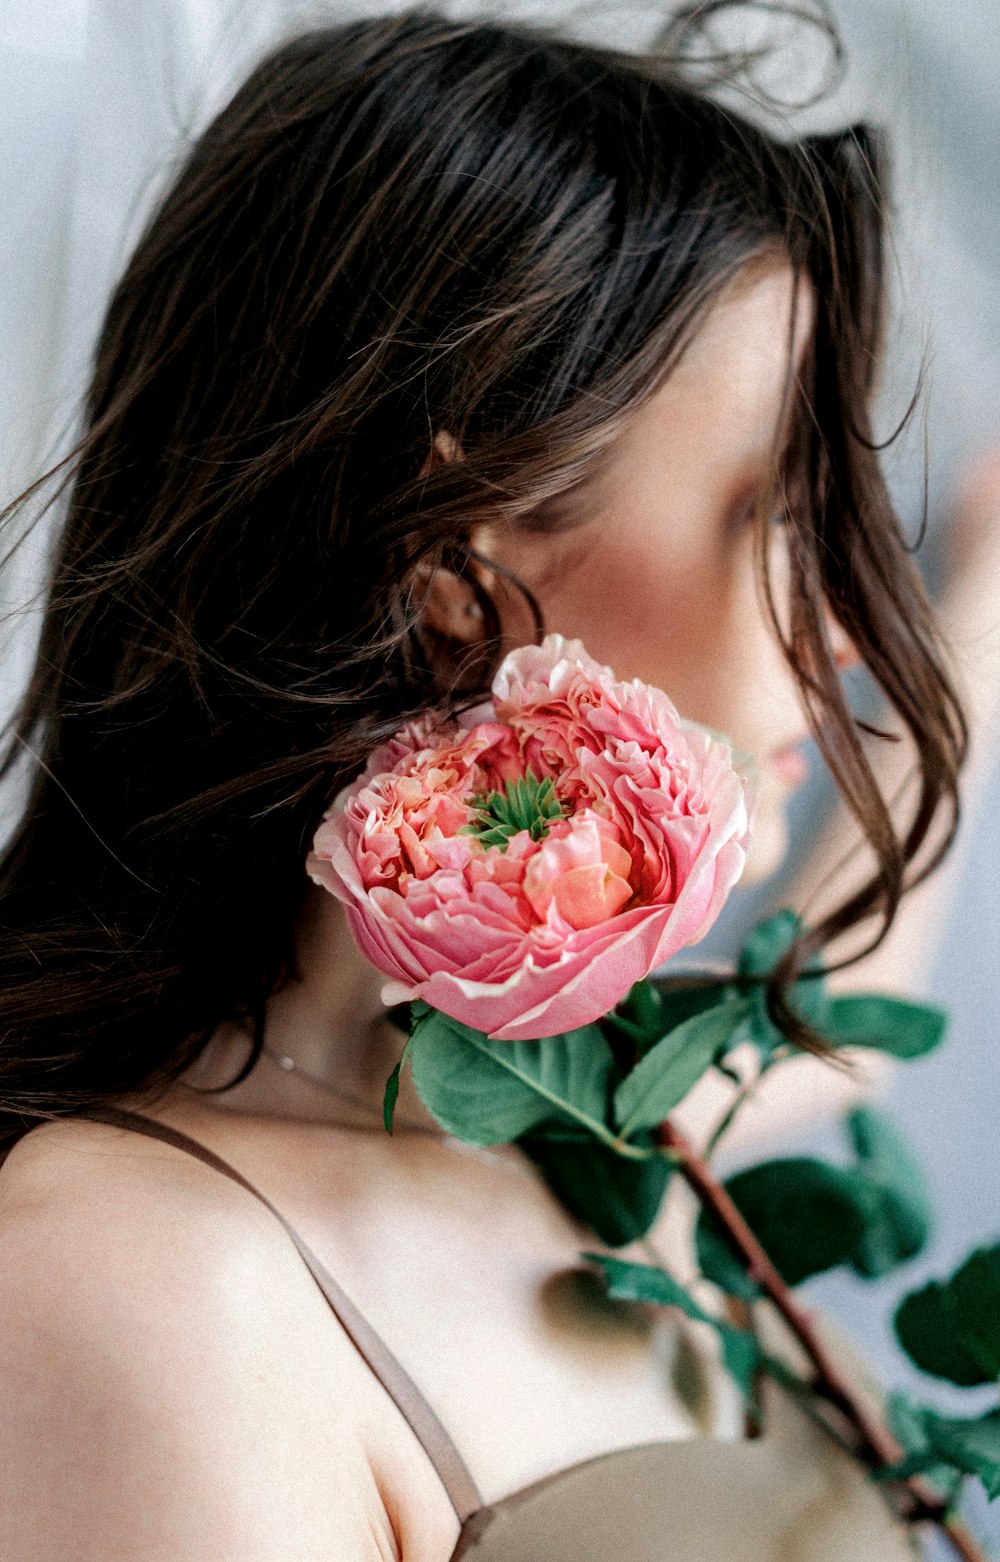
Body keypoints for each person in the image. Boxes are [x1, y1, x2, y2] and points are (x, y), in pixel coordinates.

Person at [0, 8, 992, 1558]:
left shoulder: (577, 1122)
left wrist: (991, 587)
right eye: (782, 519)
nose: (858, 627)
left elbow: (837, 1012)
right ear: (459, 563)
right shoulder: (143, 1275)